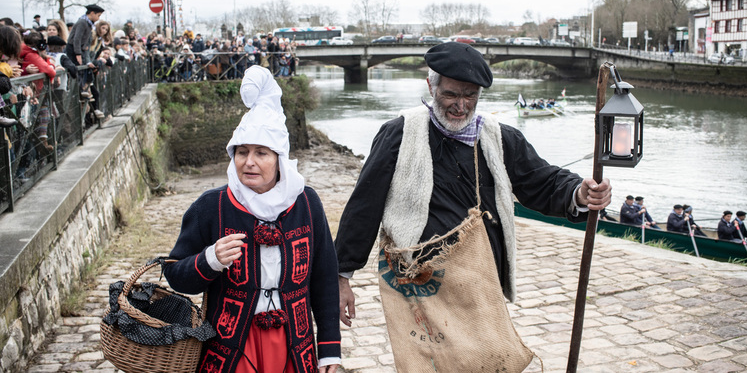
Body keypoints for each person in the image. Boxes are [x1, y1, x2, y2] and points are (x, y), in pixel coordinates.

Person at [333, 42, 611, 369]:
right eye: (451, 94)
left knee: (485, 361)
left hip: (479, 283)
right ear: (430, 85)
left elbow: (543, 181)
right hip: (420, 286)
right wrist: (341, 276)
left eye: (471, 96)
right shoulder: (399, 135)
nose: (461, 106)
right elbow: (365, 205)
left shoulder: (500, 138)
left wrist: (579, 193)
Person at [163, 66, 341, 373]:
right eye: (242, 152)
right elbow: (176, 275)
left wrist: (329, 350)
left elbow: (324, 277)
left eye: (261, 152)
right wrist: (210, 260)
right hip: (230, 346)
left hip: (294, 344)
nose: (249, 162)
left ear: (279, 159)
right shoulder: (212, 205)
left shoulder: (306, 203)